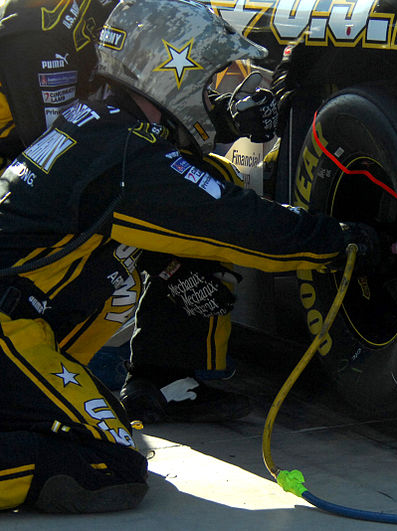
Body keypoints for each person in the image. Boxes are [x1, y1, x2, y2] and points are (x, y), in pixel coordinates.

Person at [0, 0, 374, 513]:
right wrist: (346, 240)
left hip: (19, 321)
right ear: (167, 71)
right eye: (213, 79)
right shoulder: (130, 154)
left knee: (107, 428)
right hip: (6, 323)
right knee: (105, 465)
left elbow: (212, 190)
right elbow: (242, 225)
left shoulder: (107, 128)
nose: (219, 94)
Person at [0, 0, 281, 424]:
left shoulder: (117, 12)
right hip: (19, 195)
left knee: (210, 177)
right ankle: (39, 373)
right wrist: (165, 258)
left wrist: (226, 116)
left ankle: (164, 377)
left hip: (56, 175)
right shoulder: (39, 29)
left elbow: (127, 121)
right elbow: (67, 173)